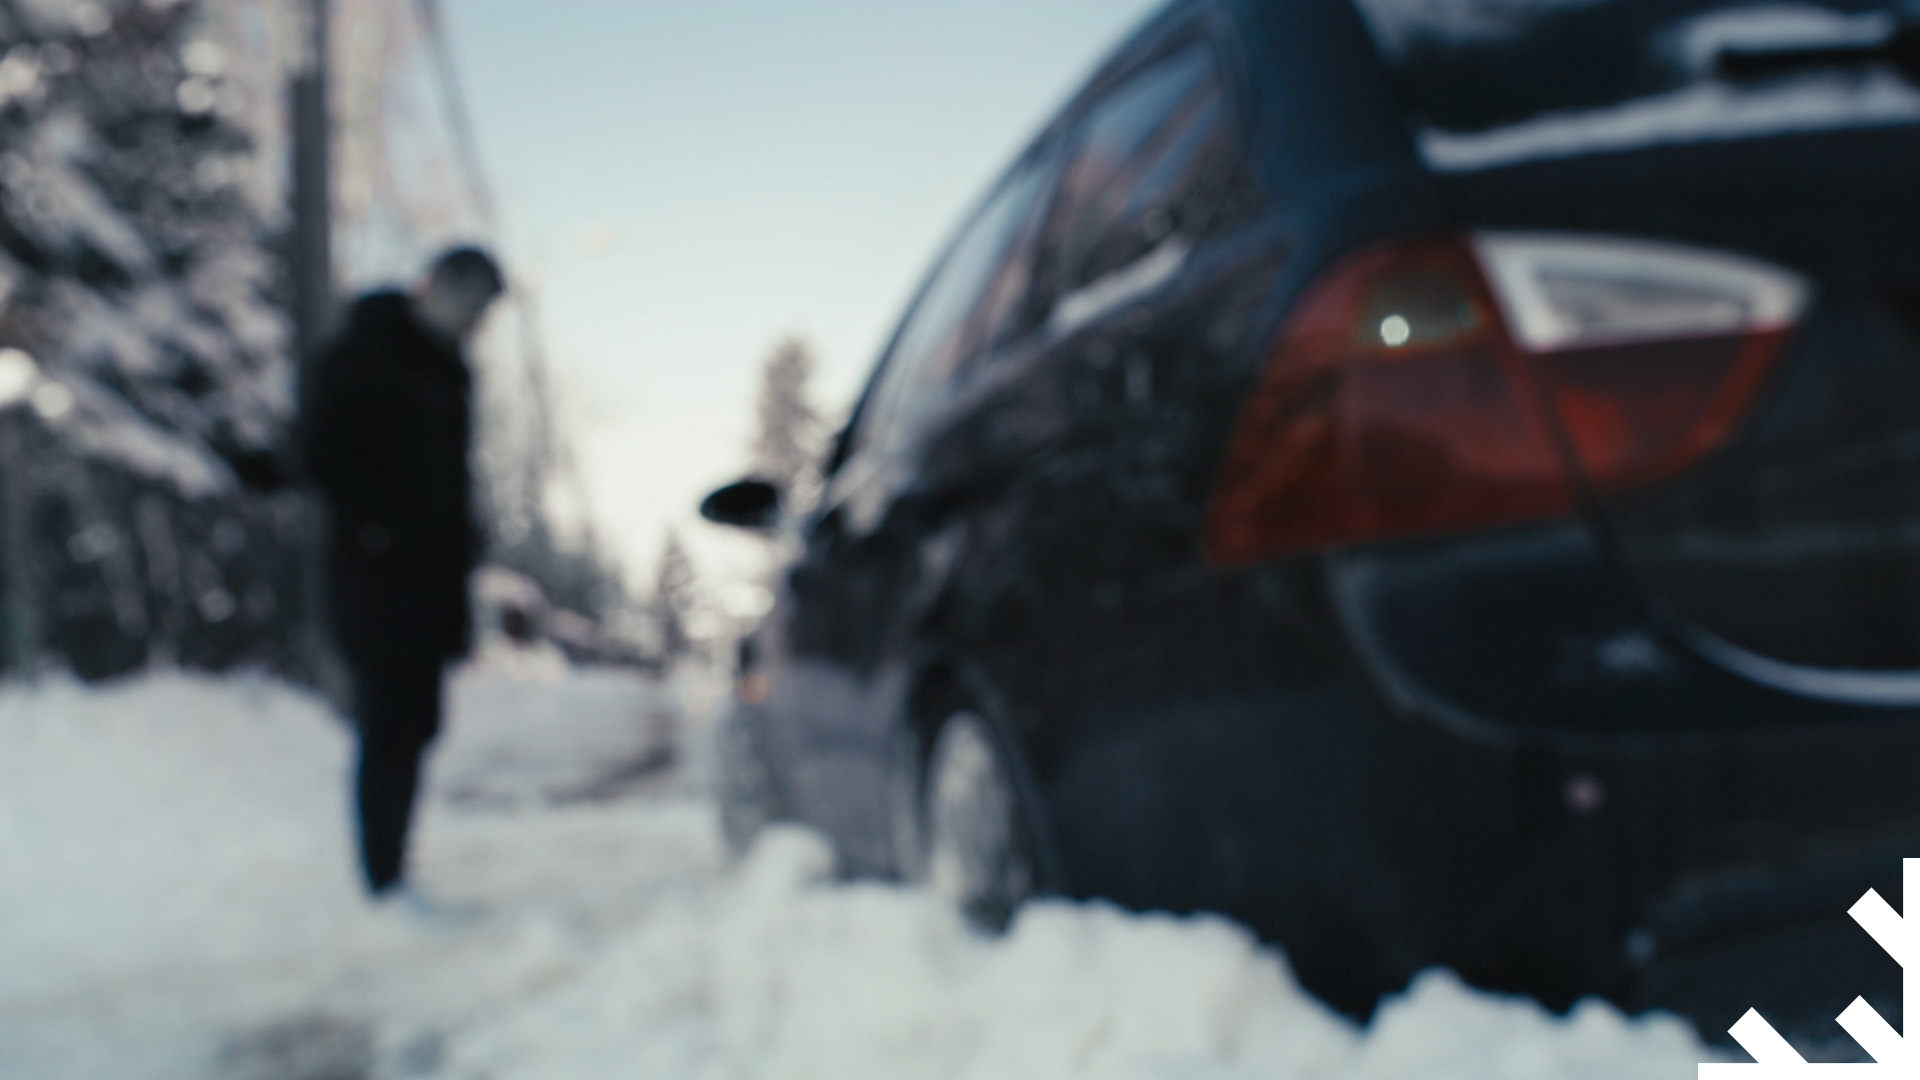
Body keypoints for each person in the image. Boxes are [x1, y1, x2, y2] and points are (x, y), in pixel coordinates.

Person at [300, 246, 504, 905]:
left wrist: (461, 539)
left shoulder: (449, 369)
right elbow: (324, 455)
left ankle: (395, 871)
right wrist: (385, 528)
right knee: (388, 725)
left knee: (416, 726)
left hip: (432, 580)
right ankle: (382, 879)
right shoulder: (372, 350)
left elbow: (448, 475)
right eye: (466, 300)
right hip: (376, 577)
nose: (471, 318)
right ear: (433, 285)